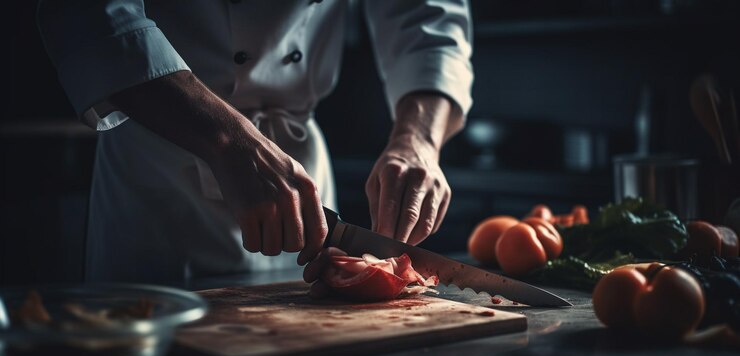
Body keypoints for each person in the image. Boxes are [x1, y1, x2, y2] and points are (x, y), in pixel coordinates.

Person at [37, 0, 474, 284]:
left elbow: (428, 18)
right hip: (158, 177)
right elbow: (89, 13)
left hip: (303, 184)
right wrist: (225, 138)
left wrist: (417, 139)